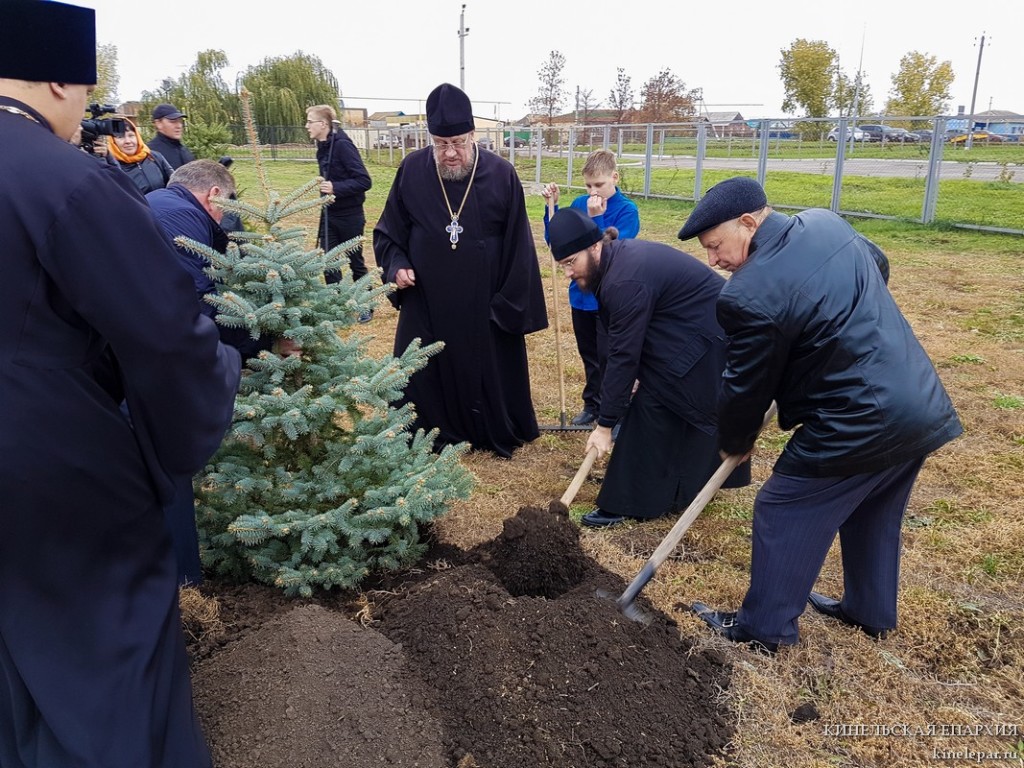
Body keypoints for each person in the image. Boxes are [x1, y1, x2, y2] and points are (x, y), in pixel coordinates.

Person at [0, 3, 241, 766]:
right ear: (61, 82)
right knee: (108, 649)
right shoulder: (63, 179)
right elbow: (165, 330)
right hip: (54, 465)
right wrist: (192, 422)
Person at [676, 177, 963, 653]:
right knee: (873, 509)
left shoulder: (746, 295)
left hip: (856, 423)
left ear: (748, 222)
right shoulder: (826, 223)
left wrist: (736, 439)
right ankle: (868, 611)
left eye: (716, 246)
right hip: (917, 400)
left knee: (782, 505)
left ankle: (764, 629)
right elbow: (878, 263)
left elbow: (744, 387)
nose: (714, 261)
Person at [373, 82, 548, 459]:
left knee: (487, 367)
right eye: (441, 144)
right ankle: (423, 432)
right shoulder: (412, 170)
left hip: (483, 302)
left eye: (458, 143)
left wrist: (507, 303)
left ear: (473, 136)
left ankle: (485, 431)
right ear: (430, 139)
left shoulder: (501, 174)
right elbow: (389, 232)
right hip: (427, 300)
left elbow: (520, 245)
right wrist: (397, 265)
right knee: (421, 374)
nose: (450, 153)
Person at [547, 208, 749, 527]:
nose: (569, 273)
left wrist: (604, 425)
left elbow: (624, 355)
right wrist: (615, 398)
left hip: (711, 340)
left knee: (657, 403)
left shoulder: (624, 278)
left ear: (594, 246)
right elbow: (615, 343)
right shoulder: (613, 265)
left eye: (571, 262)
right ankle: (665, 489)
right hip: (688, 333)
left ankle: (632, 500)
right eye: (563, 266)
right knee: (656, 401)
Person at [146, 159, 272, 585]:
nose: (225, 218)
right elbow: (198, 306)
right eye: (226, 205)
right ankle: (183, 578)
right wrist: (261, 344)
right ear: (214, 194)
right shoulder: (184, 221)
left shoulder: (154, 202)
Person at [542, 149, 640, 426]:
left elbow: (607, 254)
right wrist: (554, 209)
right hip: (581, 296)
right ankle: (592, 404)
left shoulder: (627, 211)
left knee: (609, 355)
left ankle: (615, 408)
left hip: (609, 297)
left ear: (614, 178)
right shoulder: (580, 203)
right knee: (589, 354)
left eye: (599, 185)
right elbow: (558, 241)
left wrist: (597, 218)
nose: (593, 191)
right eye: (588, 185)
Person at [306, 104, 374, 321]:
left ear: (323, 124)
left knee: (355, 261)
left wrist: (336, 188)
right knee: (328, 261)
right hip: (329, 214)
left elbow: (364, 181)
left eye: (310, 121)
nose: (306, 126)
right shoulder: (322, 146)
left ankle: (366, 304)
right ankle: (336, 307)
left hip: (350, 215)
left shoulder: (343, 146)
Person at [107, 115, 173, 195]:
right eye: (120, 137)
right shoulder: (110, 166)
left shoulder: (154, 157)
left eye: (131, 135)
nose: (127, 141)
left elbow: (175, 182)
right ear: (112, 141)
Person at [148, 102, 195, 169]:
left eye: (180, 121)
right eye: (173, 121)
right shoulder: (150, 153)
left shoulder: (183, 149)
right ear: (158, 123)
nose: (179, 126)